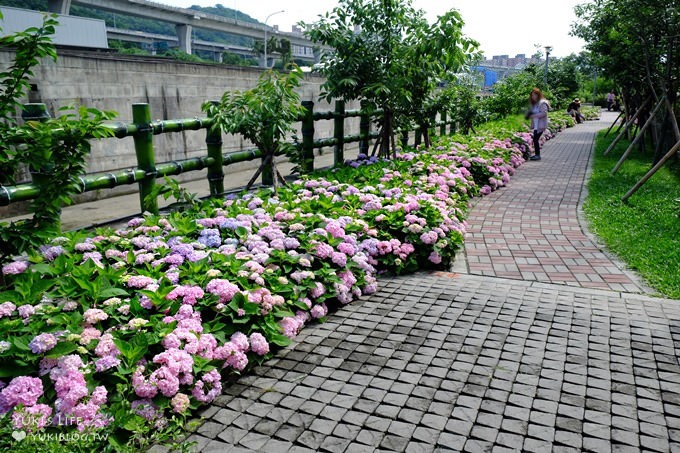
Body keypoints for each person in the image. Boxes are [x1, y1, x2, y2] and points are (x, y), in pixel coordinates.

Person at [528, 88, 549, 161]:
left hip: (540, 125)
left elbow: (544, 113)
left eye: (534, 95)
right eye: (532, 95)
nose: (533, 96)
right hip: (536, 125)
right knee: (535, 139)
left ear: (538, 95)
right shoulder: (535, 104)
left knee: (535, 139)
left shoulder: (542, 103)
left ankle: (538, 155)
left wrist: (534, 115)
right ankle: (537, 154)